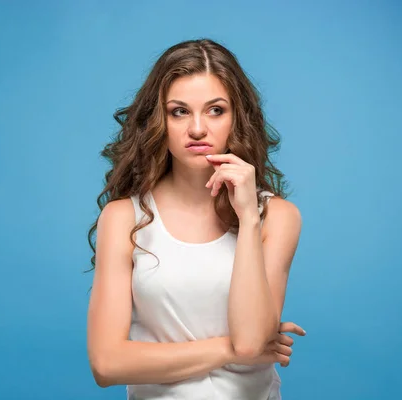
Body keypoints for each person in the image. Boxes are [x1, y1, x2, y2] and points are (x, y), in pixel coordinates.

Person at [86, 38, 305, 400]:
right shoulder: (124, 218)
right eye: (179, 111)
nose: (198, 129)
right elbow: (107, 363)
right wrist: (224, 349)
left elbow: (251, 342)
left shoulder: (276, 217)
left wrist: (248, 218)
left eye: (216, 110)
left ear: (238, 118)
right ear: (158, 121)